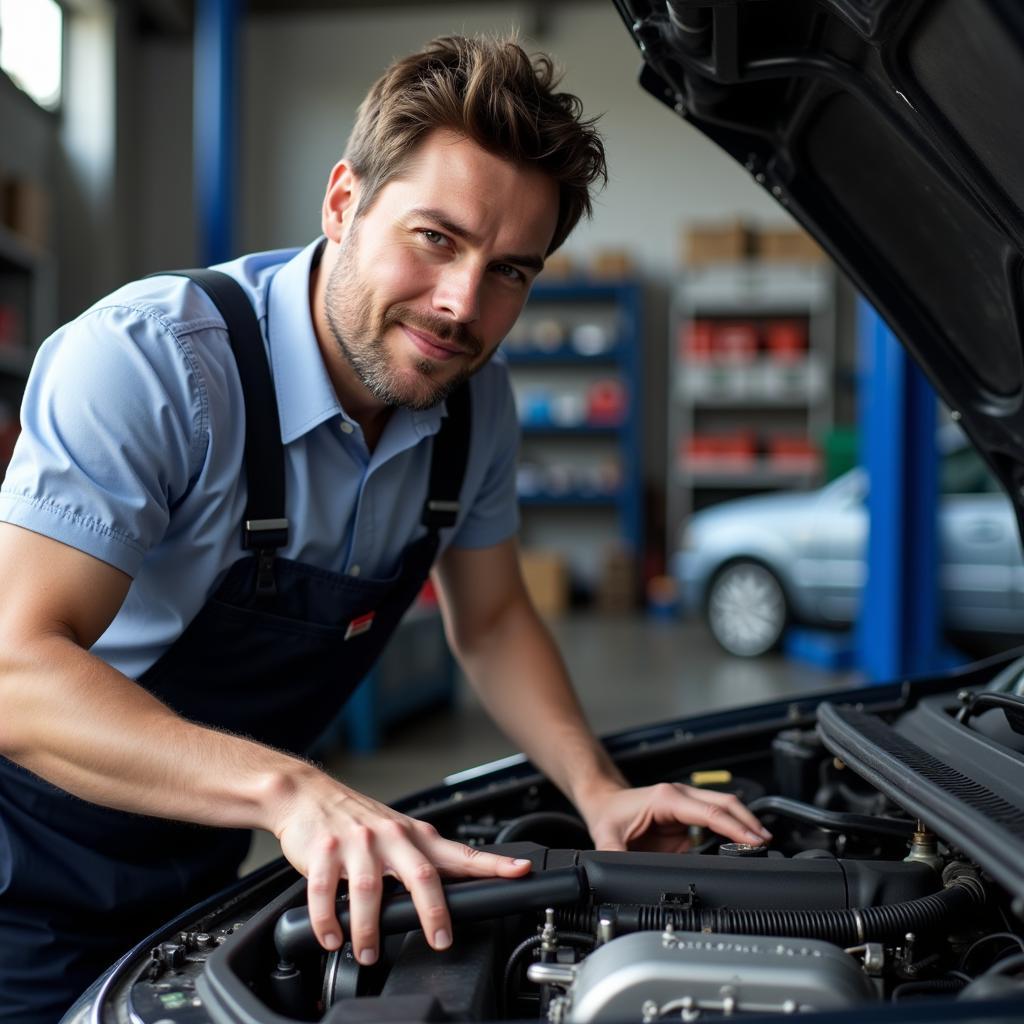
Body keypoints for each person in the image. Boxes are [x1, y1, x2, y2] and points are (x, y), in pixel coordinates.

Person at [0, 34, 770, 1022]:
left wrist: (596, 787)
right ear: (342, 202)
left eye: (510, 272)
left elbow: (490, 619)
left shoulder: (475, 406)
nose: (462, 305)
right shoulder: (153, 366)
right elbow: (17, 673)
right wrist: (293, 793)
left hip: (199, 857)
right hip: (23, 866)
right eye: (436, 239)